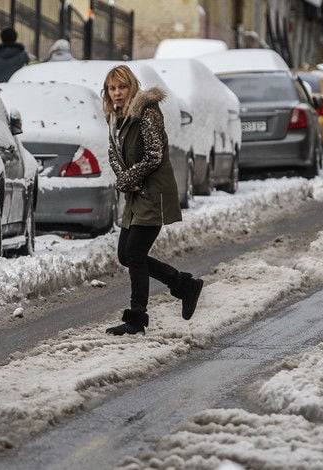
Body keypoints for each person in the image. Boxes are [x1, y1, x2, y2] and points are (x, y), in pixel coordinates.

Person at [102, 65, 204, 335]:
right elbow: (113, 153)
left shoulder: (147, 112)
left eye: (122, 87)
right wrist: (124, 177)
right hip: (135, 193)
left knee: (134, 255)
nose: (117, 93)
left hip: (152, 193)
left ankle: (137, 318)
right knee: (126, 255)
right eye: (112, 88)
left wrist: (127, 178)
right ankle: (183, 285)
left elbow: (154, 156)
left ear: (132, 87)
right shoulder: (115, 118)